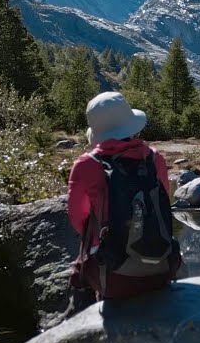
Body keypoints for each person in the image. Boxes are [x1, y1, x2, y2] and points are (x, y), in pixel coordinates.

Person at [66, 91, 182, 315]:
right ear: (130, 126)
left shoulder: (86, 165)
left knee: (82, 261)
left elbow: (78, 219)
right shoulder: (153, 158)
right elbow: (163, 205)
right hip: (162, 269)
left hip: (112, 279)